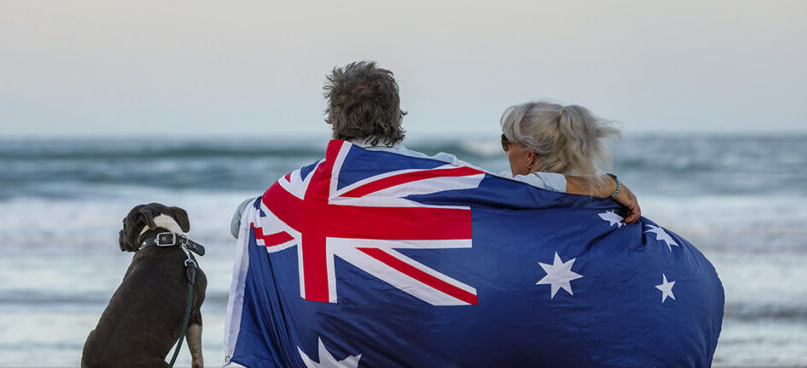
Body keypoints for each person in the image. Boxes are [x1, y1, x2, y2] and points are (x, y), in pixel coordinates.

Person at [231, 61, 638, 237]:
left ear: (333, 121)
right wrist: (609, 187)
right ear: (397, 118)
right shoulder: (438, 174)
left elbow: (241, 222)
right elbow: (529, 189)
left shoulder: (303, 186)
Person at [499, 101, 640, 223]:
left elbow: (537, 185)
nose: (506, 151)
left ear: (529, 156)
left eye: (506, 142)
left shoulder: (506, 195)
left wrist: (609, 185)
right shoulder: (605, 210)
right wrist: (610, 186)